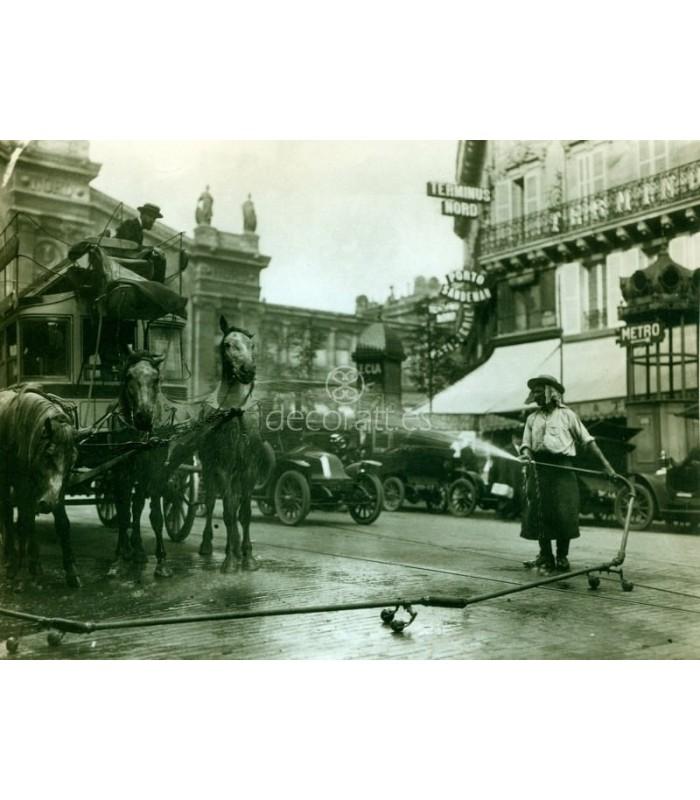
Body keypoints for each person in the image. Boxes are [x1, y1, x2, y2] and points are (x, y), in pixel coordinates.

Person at [519, 374, 617, 575]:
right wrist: (527, 455)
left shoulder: (568, 416)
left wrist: (608, 468)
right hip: (539, 468)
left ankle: (562, 556)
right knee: (540, 512)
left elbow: (588, 442)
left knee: (565, 512)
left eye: (539, 391)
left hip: (563, 469)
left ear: (550, 392)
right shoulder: (532, 419)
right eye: (533, 391)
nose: (535, 395)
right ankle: (545, 555)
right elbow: (526, 445)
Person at [114, 203, 167, 283]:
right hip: (122, 259)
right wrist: (152, 249)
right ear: (143, 215)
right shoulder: (130, 224)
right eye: (151, 217)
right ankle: (156, 284)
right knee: (158, 259)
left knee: (157, 257)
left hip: (130, 259)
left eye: (154, 219)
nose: (152, 221)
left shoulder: (140, 231)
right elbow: (129, 245)